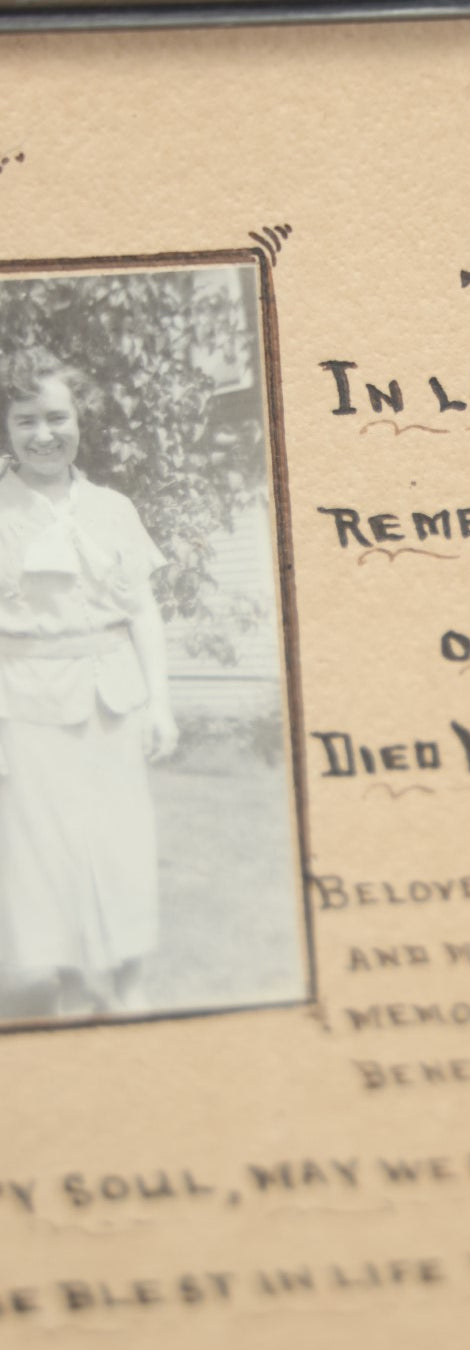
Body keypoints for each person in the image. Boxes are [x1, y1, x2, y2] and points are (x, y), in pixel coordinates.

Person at [0, 347, 177, 1019]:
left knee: (121, 841)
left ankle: (129, 983)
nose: (43, 434)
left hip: (113, 695)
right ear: (7, 428)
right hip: (23, 704)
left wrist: (161, 704)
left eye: (56, 416)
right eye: (25, 421)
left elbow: (142, 611)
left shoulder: (113, 507)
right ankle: (71, 988)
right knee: (45, 854)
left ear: (80, 417)